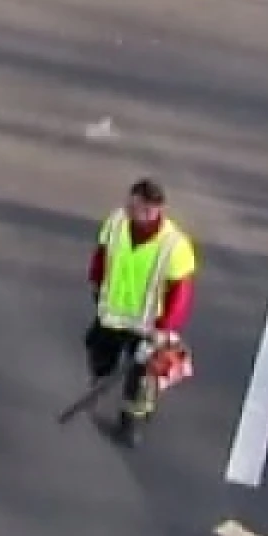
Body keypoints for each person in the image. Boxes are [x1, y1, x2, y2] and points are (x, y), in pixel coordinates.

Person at [84, 178, 198, 446]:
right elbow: (102, 256)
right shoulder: (116, 223)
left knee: (140, 377)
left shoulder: (174, 245)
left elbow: (180, 293)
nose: (137, 214)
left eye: (144, 210)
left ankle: (131, 424)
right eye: (133, 207)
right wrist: (95, 282)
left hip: (148, 326)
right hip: (112, 315)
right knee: (99, 354)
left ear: (157, 210)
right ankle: (100, 383)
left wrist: (164, 329)